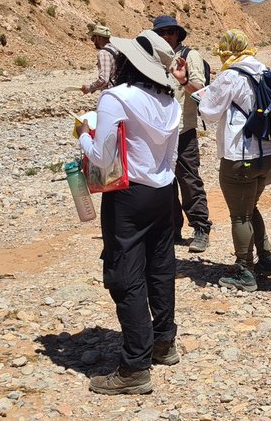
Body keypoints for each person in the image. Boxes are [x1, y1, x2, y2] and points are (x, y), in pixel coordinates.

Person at [77, 30, 188, 395]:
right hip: (162, 191)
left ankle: (134, 368)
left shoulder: (116, 97)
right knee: (160, 267)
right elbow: (171, 156)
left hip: (128, 195)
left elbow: (103, 157)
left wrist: (82, 134)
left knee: (125, 275)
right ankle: (164, 342)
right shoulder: (171, 101)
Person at [197, 29, 271, 292]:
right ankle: (265, 259)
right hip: (268, 156)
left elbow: (208, 113)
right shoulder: (263, 70)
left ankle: (245, 272)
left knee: (240, 217)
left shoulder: (229, 75)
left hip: (240, 157)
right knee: (251, 208)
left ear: (226, 50)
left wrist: (201, 96)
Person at [152, 15, 212, 252]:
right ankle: (172, 228)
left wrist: (183, 79)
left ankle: (200, 228)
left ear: (178, 34)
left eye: (169, 32)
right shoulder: (155, 59)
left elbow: (200, 89)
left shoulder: (190, 56)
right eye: (161, 33)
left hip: (183, 130)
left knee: (189, 181)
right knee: (164, 182)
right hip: (159, 131)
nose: (165, 36)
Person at [81, 25, 120, 94]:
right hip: (120, 88)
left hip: (111, 92)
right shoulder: (115, 49)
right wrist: (96, 87)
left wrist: (88, 88)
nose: (93, 42)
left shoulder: (103, 53)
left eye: (93, 38)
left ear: (99, 37)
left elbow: (104, 80)